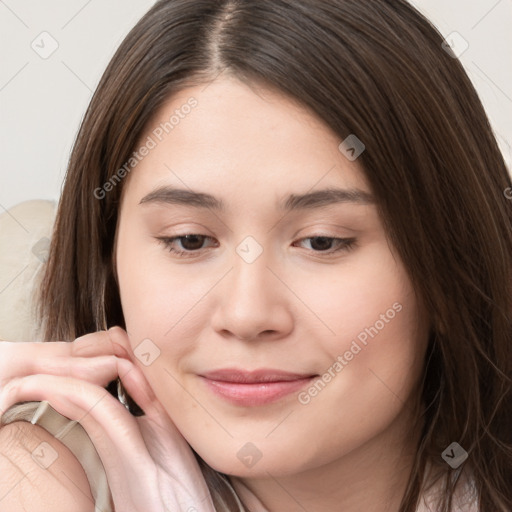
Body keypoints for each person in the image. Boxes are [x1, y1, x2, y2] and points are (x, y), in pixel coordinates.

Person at [0, 0, 511, 511]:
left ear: (449, 265)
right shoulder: (38, 477)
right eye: (189, 240)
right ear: (109, 262)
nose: (247, 315)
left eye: (322, 241)